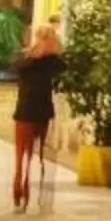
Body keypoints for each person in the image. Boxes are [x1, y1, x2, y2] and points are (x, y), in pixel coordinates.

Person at [11, 24, 66, 210]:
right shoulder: (24, 57)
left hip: (42, 114)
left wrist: (55, 47)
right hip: (25, 113)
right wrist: (35, 53)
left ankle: (40, 196)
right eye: (42, 37)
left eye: (48, 37)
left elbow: (62, 65)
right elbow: (18, 67)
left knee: (40, 157)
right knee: (21, 158)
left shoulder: (50, 61)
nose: (45, 41)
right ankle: (19, 192)